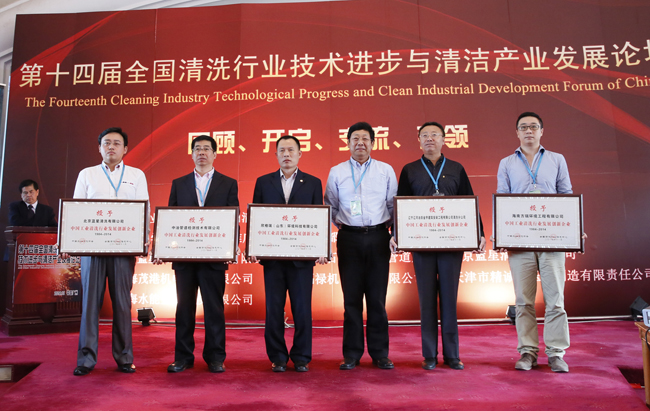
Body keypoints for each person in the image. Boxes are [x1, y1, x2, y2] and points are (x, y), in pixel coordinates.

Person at [397, 121, 486, 371]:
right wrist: (397, 234)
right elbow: (401, 205)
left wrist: (479, 233)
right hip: (422, 244)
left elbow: (469, 202)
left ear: (444, 139)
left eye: (434, 134)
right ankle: (429, 355)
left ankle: (452, 354)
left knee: (449, 299)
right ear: (419, 141)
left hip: (451, 244)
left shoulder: (456, 168)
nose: (430, 139)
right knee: (426, 301)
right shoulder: (410, 170)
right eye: (424, 135)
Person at [496, 112, 573, 373]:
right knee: (523, 301)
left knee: (556, 300)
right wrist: (501, 232)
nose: (529, 131)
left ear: (542, 131)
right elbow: (502, 199)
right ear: (517, 133)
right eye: (523, 127)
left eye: (533, 126)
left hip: (552, 240)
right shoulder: (506, 163)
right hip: (520, 241)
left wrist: (574, 229)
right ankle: (527, 352)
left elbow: (566, 195)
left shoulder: (557, 159)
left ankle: (556, 353)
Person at [71, 127, 149, 376]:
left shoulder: (136, 175)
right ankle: (86, 359)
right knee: (90, 305)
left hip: (124, 248)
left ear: (125, 148)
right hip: (92, 248)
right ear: (99, 148)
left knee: (122, 304)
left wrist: (144, 241)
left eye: (116, 143)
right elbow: (76, 209)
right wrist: (72, 242)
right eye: (106, 143)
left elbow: (144, 210)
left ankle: (124, 357)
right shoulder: (87, 174)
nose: (111, 147)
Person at [324, 121, 398, 370]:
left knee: (377, 299)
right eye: (355, 139)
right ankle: (352, 354)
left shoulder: (385, 170)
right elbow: (331, 206)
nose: (360, 143)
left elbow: (392, 205)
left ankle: (380, 353)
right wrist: (348, 225)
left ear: (373, 143)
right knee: (351, 300)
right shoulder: (337, 171)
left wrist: (387, 230)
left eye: (365, 139)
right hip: (349, 239)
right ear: (348, 143)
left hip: (379, 237)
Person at [250, 135, 325, 373]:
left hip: (302, 259)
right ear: (275, 155)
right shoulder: (264, 182)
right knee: (274, 309)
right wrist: (253, 247)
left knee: (302, 310)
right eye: (282, 150)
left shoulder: (313, 183)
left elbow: (318, 218)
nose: (286, 154)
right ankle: (278, 357)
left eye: (291, 150)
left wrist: (321, 248)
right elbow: (257, 218)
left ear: (300, 154)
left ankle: (301, 356)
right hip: (273, 259)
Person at [166, 135, 238, 374]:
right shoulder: (179, 183)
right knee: (184, 309)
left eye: (207, 149)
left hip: (214, 258)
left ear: (215, 154)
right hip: (185, 259)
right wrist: (165, 247)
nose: (202, 152)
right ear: (192, 154)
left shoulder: (228, 183)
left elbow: (233, 218)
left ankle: (215, 357)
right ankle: (183, 357)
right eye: (197, 149)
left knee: (214, 309)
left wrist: (231, 246)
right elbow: (170, 220)